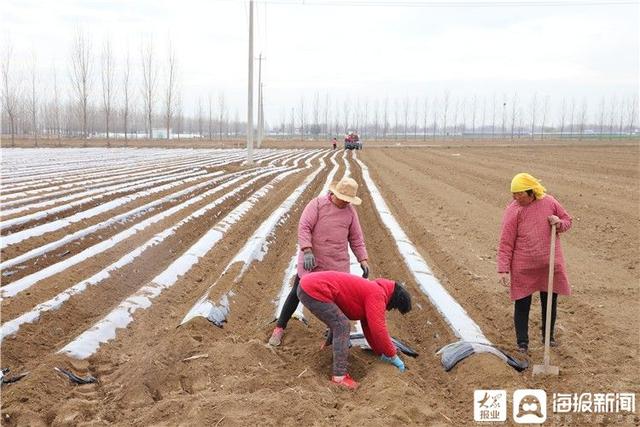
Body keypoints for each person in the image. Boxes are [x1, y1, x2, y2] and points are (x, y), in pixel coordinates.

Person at [269, 176, 370, 346]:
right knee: (297, 292)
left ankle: (333, 337)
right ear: (334, 193)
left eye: (348, 200)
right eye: (343, 199)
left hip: (336, 263)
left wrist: (363, 260)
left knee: (338, 301)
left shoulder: (350, 212)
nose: (346, 203)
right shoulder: (317, 204)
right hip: (313, 261)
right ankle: (279, 328)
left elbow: (356, 238)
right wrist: (307, 250)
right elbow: (304, 227)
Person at [497, 173, 572, 354]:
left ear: (532, 192)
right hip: (523, 267)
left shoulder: (550, 202)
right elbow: (506, 242)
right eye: (513, 194)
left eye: (519, 194)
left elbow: (567, 221)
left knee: (549, 303)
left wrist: (558, 222)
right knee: (522, 304)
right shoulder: (513, 210)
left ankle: (548, 337)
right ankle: (522, 342)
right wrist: (503, 270)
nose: (515, 197)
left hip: (549, 265)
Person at [297, 271, 412, 389]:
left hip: (308, 286)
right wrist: (393, 355)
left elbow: (368, 328)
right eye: (393, 307)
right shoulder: (377, 294)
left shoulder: (373, 290)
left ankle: (327, 347)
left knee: (338, 321)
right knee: (342, 325)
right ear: (394, 300)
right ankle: (339, 377)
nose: (389, 309)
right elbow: (379, 330)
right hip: (314, 288)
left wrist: (381, 353)